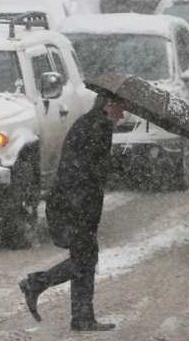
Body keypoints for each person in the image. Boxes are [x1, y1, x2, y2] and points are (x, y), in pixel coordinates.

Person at [17, 91, 127, 332]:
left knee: (85, 258)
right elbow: (90, 167)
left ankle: (82, 318)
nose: (124, 113)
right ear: (109, 105)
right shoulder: (95, 127)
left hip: (77, 202)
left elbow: (91, 164)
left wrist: (114, 163)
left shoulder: (94, 123)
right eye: (121, 107)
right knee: (84, 260)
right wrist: (117, 164)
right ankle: (36, 283)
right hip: (74, 204)